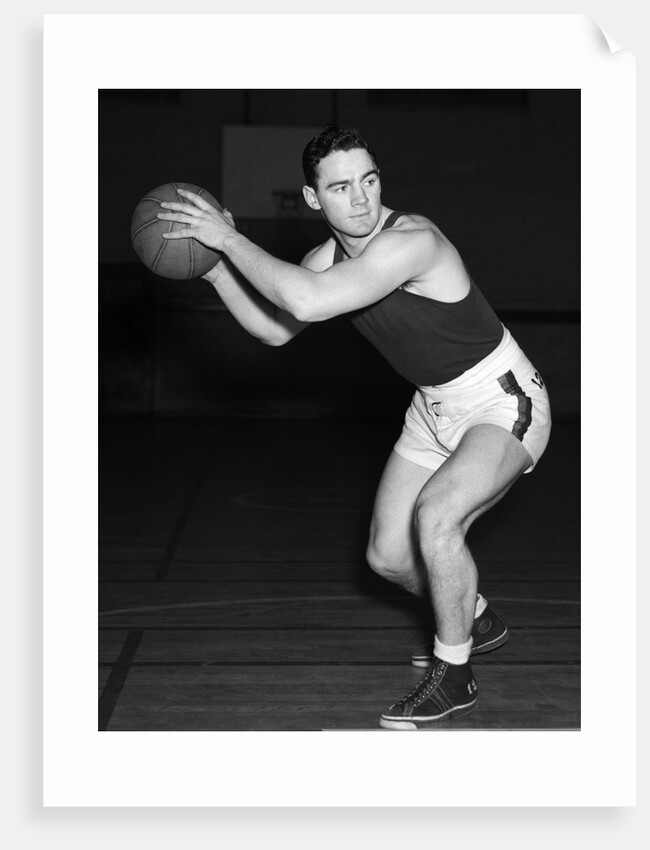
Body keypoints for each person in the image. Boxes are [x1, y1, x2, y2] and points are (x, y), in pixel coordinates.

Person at [156, 126, 552, 730]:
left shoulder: (411, 241)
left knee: (437, 517)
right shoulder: (325, 259)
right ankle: (473, 615)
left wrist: (229, 238)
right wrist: (214, 269)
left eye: (369, 180)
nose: (361, 198)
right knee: (387, 557)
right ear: (313, 198)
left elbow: (309, 301)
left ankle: (455, 676)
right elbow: (277, 328)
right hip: (432, 408)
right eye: (341, 187)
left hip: (500, 400)